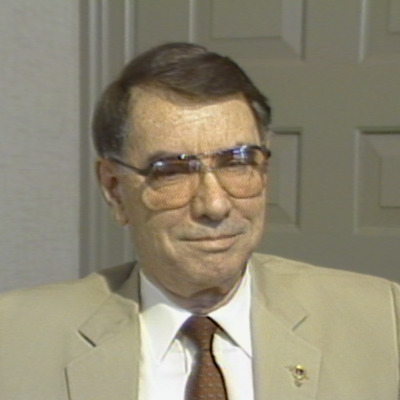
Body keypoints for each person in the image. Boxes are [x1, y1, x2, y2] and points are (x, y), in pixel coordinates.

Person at [0, 42, 399, 400]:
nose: (215, 205)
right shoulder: (13, 340)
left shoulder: (384, 320)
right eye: (172, 171)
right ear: (114, 189)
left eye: (237, 163)